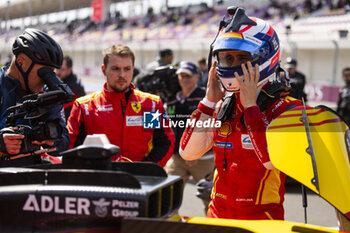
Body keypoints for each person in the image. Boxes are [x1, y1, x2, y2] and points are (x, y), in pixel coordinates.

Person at [179, 7, 302, 220]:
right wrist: (208, 102)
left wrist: (252, 108)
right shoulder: (221, 107)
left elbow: (272, 162)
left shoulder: (287, 109)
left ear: (266, 57)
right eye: (227, 58)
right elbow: (188, 153)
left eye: (242, 57)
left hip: (262, 220)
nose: (233, 65)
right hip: (217, 216)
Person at [67, 44, 175, 166]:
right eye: (115, 68)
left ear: (133, 70)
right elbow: (71, 148)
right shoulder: (85, 106)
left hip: (142, 179)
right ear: (104, 70)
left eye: (127, 69)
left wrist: (147, 168)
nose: (122, 75)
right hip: (98, 179)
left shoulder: (150, 105)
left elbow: (165, 142)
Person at [0, 28, 69, 167]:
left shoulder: (47, 93)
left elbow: (64, 140)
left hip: (32, 179)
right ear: (21, 62)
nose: (46, 80)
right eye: (43, 73)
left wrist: (52, 140)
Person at [164, 61, 215, 213]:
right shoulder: (171, 99)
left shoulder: (206, 98)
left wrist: (194, 152)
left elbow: (211, 127)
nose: (184, 79)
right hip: (177, 158)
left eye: (188, 75)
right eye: (181, 75)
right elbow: (162, 125)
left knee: (211, 200)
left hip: (204, 159)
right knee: (167, 196)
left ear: (197, 77)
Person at [56, 55, 86, 121]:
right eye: (57, 68)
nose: (58, 72)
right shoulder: (70, 79)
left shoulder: (71, 87)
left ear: (70, 69)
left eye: (62, 69)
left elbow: (59, 109)